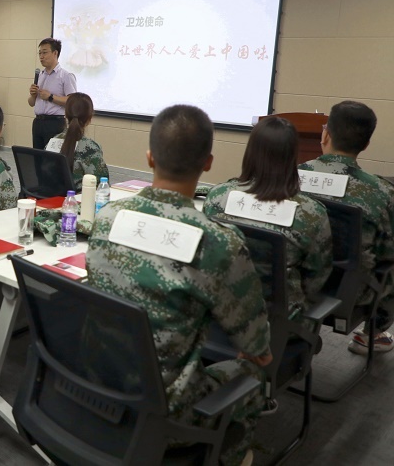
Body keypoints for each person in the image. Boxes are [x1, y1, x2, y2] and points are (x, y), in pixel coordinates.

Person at [86, 105, 271, 466]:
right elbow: (257, 349)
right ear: (208, 163)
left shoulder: (107, 218)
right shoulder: (219, 243)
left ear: (150, 158)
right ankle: (232, 455)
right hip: (165, 414)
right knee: (253, 372)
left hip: (95, 385)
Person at [203, 116, 332, 320]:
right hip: (281, 320)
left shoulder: (218, 197)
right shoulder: (312, 212)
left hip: (219, 313)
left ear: (250, 152)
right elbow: (317, 278)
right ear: (292, 156)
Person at [298, 101, 394, 354]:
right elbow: (387, 253)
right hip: (350, 293)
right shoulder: (381, 192)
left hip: (293, 283)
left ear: (325, 135)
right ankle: (373, 333)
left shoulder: (290, 177)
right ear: (366, 144)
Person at [47, 92, 108, 191]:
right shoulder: (91, 148)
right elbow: (102, 186)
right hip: (79, 199)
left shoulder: (52, 142)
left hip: (49, 197)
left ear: (66, 115)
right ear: (89, 118)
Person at [28, 37, 77, 150]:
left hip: (55, 123)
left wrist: (50, 97)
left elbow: (72, 102)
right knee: (37, 156)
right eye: (40, 53)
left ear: (55, 53)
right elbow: (31, 103)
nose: (41, 56)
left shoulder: (66, 76)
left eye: (44, 52)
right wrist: (33, 95)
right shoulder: (40, 75)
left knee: (51, 157)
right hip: (38, 122)